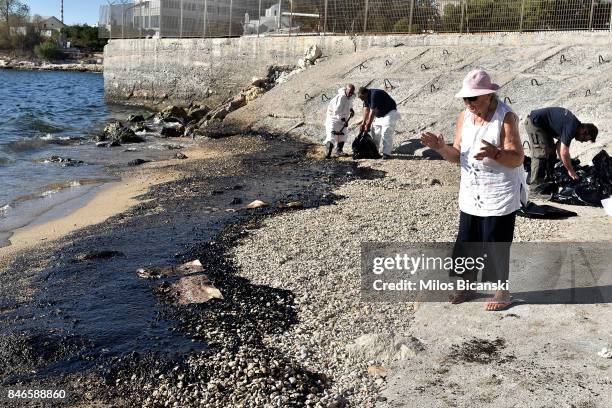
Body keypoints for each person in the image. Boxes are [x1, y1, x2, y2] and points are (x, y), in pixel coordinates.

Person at [420, 69, 526, 311]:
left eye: (473, 99)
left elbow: (518, 158)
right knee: (468, 240)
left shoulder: (506, 117)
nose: (468, 104)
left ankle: (502, 291)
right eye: (465, 99)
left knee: (495, 242)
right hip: (471, 192)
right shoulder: (464, 117)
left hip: (498, 193)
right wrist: (440, 147)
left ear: (489, 96)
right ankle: (468, 285)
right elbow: (457, 156)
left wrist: (496, 153)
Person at [524, 107, 598, 185]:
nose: (583, 142)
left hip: (542, 127)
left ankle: (547, 180)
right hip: (534, 123)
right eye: (585, 139)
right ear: (584, 131)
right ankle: (535, 190)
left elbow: (559, 146)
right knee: (542, 155)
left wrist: (565, 164)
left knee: (551, 153)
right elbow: (564, 152)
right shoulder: (572, 127)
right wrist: (570, 170)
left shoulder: (574, 126)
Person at [358, 87, 400, 159]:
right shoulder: (365, 97)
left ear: (366, 93)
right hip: (380, 115)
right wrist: (363, 123)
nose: (362, 100)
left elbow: (372, 111)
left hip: (390, 113)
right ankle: (375, 151)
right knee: (375, 133)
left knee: (386, 132)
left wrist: (368, 124)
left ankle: (386, 153)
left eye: (363, 98)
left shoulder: (375, 94)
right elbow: (366, 110)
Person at [325, 84, 356, 158]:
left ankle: (339, 151)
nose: (351, 94)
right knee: (331, 135)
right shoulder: (340, 97)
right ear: (346, 90)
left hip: (343, 119)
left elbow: (350, 105)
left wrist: (351, 110)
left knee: (343, 134)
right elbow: (336, 111)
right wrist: (344, 120)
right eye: (349, 92)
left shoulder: (350, 97)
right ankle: (328, 153)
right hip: (333, 119)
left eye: (352, 92)